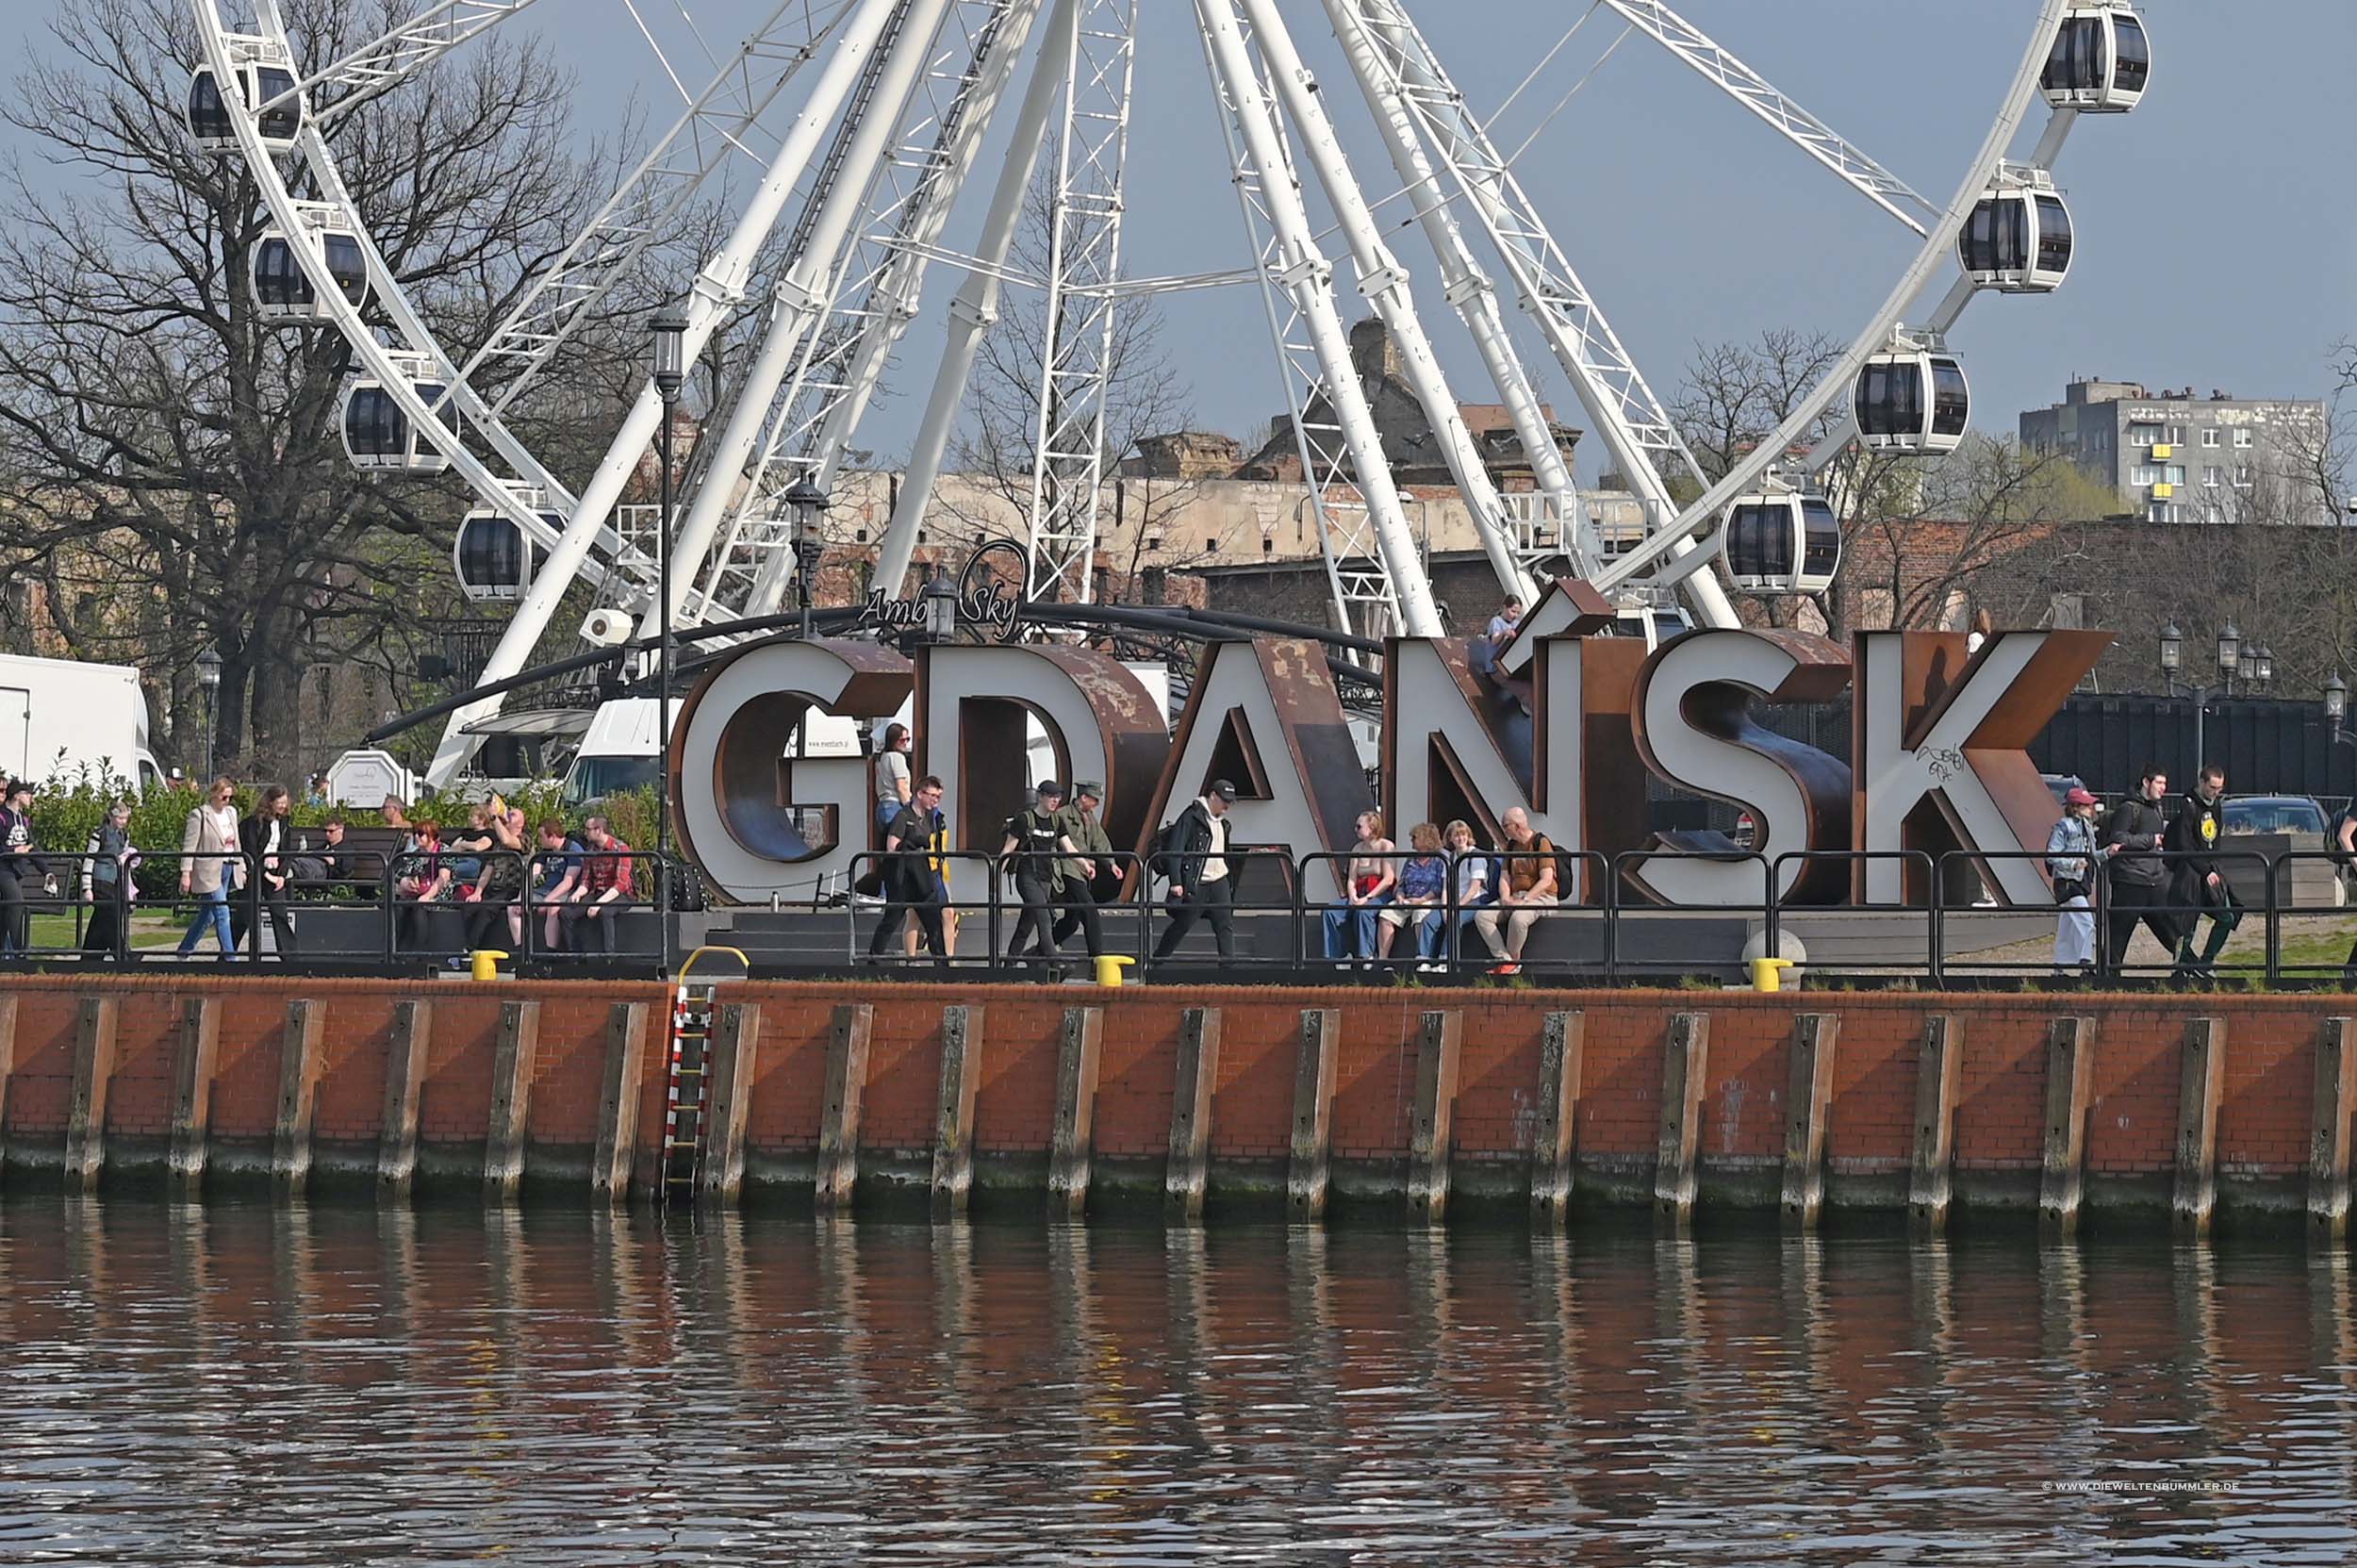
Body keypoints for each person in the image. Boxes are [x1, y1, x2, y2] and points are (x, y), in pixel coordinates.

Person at [2102, 766, 2180, 971]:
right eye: (2159, 783)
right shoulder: (2128, 808)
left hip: (2154, 879)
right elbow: (2118, 838)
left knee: (2172, 931)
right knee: (2118, 936)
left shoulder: (2156, 807)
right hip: (2130, 880)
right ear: (2146, 782)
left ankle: (2190, 969)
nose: (2164, 788)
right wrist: (2151, 840)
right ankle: (2108, 979)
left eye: (2165, 783)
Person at [1001, 780, 1084, 967]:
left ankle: (1010, 963)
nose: (1055, 801)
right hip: (1027, 876)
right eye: (1051, 796)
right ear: (1040, 796)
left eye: (1058, 797)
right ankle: (1055, 961)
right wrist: (997, 872)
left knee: (1027, 923)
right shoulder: (1024, 820)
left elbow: (1069, 848)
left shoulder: (1056, 821)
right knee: (1044, 917)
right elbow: (1008, 848)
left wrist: (1084, 865)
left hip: (1046, 878)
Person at [1152, 780, 1237, 961]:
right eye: (1224, 801)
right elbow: (1175, 849)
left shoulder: (1223, 824)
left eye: (1229, 802)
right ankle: (1157, 961)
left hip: (1219, 879)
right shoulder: (1191, 817)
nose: (1227, 806)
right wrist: (1176, 882)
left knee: (1225, 924)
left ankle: (1229, 970)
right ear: (1213, 796)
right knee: (1183, 924)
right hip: (1198, 882)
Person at [869, 775, 949, 965]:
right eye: (932, 796)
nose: (935, 800)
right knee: (891, 920)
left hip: (921, 875)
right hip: (902, 877)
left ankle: (943, 968)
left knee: (933, 921)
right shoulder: (903, 817)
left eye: (939, 797)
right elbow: (892, 847)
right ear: (920, 794)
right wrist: (909, 843)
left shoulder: (930, 818)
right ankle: (872, 963)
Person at [1475, 806, 1558, 976]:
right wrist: (1505, 897)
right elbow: (1505, 876)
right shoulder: (1510, 846)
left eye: (1505, 825)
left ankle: (1513, 961)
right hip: (1516, 895)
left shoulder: (1540, 843)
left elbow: (1546, 880)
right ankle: (1505, 960)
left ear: (1517, 826)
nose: (1503, 829)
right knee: (1482, 916)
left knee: (1519, 918)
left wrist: (1526, 899)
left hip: (1541, 896)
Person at [175, 777, 243, 961]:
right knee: (222, 912)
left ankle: (184, 950)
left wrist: (242, 867)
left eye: (230, 798)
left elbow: (236, 842)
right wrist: (186, 873)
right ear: (214, 794)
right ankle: (231, 959)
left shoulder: (231, 813)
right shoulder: (199, 815)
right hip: (208, 871)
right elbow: (189, 847)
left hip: (228, 866)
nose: (227, 801)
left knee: (208, 916)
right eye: (224, 797)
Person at [231, 784, 299, 960]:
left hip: (275, 871)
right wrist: (264, 873)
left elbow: (286, 851)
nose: (283, 806)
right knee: (246, 915)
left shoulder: (284, 823)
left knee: (279, 913)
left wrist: (282, 876)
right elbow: (252, 850)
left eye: (285, 802)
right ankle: (229, 954)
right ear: (270, 802)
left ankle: (289, 957)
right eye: (280, 802)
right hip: (257, 872)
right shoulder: (255, 822)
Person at [1050, 780, 1115, 956]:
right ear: (1084, 797)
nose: (1096, 804)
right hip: (1067, 870)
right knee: (1089, 910)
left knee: (1072, 922)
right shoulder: (1062, 815)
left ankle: (1040, 949)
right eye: (1094, 799)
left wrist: (1111, 864)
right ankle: (1097, 956)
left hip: (1082, 872)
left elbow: (1099, 841)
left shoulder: (1089, 818)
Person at [1322, 810, 1396, 964]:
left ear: (1372, 827)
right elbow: (1351, 879)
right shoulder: (1357, 849)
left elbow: (1388, 879)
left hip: (1379, 892)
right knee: (1330, 910)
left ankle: (1366, 956)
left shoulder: (1386, 846)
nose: (1356, 830)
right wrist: (1353, 896)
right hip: (1360, 891)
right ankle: (1337, 956)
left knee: (1364, 911)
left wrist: (1368, 898)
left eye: (1359, 826)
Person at [1376, 822, 1448, 967]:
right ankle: (1383, 959)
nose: (1411, 841)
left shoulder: (1440, 858)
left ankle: (1423, 957)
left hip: (1430, 898)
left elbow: (1439, 886)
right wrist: (1400, 896)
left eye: (1414, 837)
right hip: (1408, 898)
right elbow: (1402, 881)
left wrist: (1421, 899)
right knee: (1386, 914)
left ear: (1425, 838)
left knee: (1420, 913)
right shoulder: (1411, 859)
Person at [2045, 786, 2101, 973]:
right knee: (2086, 922)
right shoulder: (2064, 826)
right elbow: (2051, 855)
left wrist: (2108, 852)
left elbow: (2091, 855)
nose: (2090, 808)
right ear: (2075, 807)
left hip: (2078, 881)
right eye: (2086, 805)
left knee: (2067, 927)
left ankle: (2060, 968)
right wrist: (2073, 863)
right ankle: (2086, 962)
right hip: (2069, 882)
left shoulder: (2086, 826)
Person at [562, 817, 635, 956]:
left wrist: (598, 904)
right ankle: (575, 955)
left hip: (621, 895)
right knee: (566, 913)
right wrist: (577, 893)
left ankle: (609, 957)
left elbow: (621, 884)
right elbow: (586, 880)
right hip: (598, 892)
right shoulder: (591, 850)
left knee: (605, 912)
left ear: (599, 830)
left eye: (588, 829)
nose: (585, 833)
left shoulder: (620, 849)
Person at [80, 798, 139, 958]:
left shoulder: (124, 835)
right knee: (111, 914)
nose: (123, 822)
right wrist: (87, 888)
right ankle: (122, 953)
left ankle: (91, 955)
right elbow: (89, 859)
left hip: (114, 880)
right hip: (99, 880)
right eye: (120, 818)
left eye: (125, 818)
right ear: (111, 817)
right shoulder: (99, 834)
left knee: (102, 919)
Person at [0, 779, 51, 954]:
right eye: (27, 793)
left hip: (18, 871)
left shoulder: (23, 820)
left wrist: (47, 871)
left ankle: (5, 952)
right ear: (16, 795)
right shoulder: (2, 817)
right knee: (16, 903)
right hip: (3, 869)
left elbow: (32, 846)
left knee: (7, 910)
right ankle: (19, 951)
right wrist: (12, 850)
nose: (31, 797)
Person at [393, 818, 452, 954]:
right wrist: (406, 883)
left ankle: (418, 952)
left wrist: (427, 896)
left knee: (419, 907)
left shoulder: (443, 850)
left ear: (431, 836)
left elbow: (443, 878)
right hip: (417, 893)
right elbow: (402, 875)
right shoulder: (415, 853)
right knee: (399, 906)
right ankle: (397, 949)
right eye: (415, 833)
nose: (416, 837)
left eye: (420, 834)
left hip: (439, 893)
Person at [530, 818, 585, 952]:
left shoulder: (572, 849)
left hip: (564, 891)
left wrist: (546, 901)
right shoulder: (546, 850)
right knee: (514, 906)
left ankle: (551, 953)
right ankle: (521, 951)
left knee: (552, 906)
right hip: (544, 890)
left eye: (541, 836)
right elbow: (534, 871)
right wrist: (524, 895)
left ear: (552, 837)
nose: (539, 840)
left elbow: (568, 882)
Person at [1444, 818, 1492, 967]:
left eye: (1463, 834)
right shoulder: (1450, 857)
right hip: (1455, 899)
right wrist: (1445, 906)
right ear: (1450, 838)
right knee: (1429, 920)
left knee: (1455, 920)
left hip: (1476, 898)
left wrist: (1456, 906)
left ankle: (1447, 959)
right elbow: (1446, 885)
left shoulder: (1475, 856)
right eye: (1456, 835)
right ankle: (1424, 958)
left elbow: (1474, 887)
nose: (1460, 838)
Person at [874, 721, 914, 839]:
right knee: (900, 845)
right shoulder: (897, 757)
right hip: (895, 805)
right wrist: (910, 809)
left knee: (887, 847)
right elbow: (901, 787)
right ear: (893, 740)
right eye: (902, 740)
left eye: (908, 739)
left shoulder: (882, 758)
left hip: (883, 806)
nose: (905, 743)